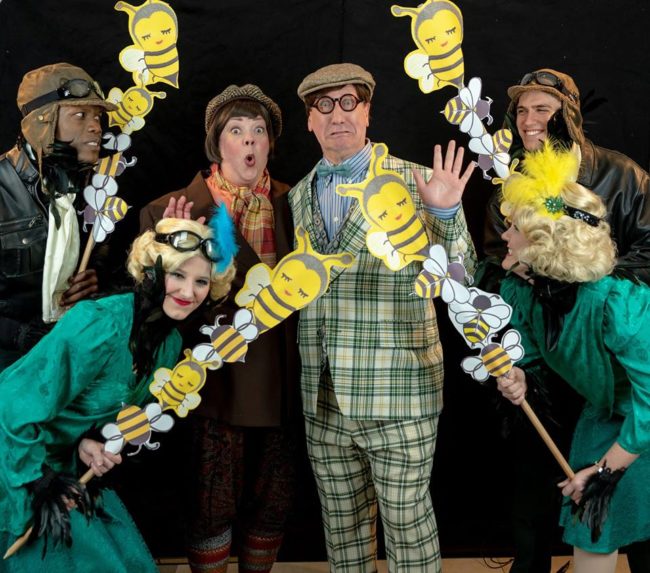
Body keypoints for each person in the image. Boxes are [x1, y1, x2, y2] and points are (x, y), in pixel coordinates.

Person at [289, 62, 476, 573]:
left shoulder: (415, 179)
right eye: (323, 106)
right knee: (342, 533)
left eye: (349, 102)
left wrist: (442, 214)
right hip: (323, 398)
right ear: (310, 120)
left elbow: (463, 276)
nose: (337, 115)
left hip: (400, 393)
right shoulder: (297, 194)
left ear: (368, 111)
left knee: (407, 530)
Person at [478, 68, 650, 573]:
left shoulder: (619, 303)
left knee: (626, 515)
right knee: (585, 524)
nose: (502, 234)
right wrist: (515, 375)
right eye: (522, 110)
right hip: (598, 401)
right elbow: (521, 344)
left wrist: (602, 471)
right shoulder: (522, 287)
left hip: (636, 392)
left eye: (542, 110)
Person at [0, 216, 237, 572]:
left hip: (64, 470)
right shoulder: (100, 323)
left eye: (201, 281)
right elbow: (11, 403)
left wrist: (85, 444)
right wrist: (41, 482)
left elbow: (87, 416)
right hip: (18, 468)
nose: (189, 292)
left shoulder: (167, 346)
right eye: (178, 275)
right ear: (152, 273)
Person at [140, 84, 300, 573]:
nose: (249, 141)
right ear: (217, 144)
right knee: (211, 505)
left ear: (270, 143)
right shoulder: (169, 211)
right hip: (209, 386)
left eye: (259, 131)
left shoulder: (301, 206)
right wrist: (165, 253)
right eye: (236, 131)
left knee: (273, 503)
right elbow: (148, 317)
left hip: (284, 380)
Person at [0, 62, 118, 370]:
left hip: (67, 357)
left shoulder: (93, 190)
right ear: (43, 122)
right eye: (80, 115)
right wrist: (19, 335)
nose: (96, 127)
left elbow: (104, 255)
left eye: (97, 117)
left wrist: (97, 278)